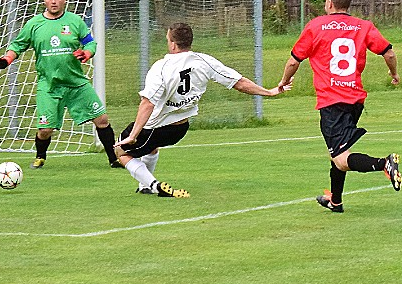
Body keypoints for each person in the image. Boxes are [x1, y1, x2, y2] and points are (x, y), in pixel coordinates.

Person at [114, 22, 289, 198]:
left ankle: (153, 185)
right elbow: (240, 83)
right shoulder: (205, 61)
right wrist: (269, 92)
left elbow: (148, 103)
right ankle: (144, 186)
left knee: (120, 151)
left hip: (155, 127)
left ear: (173, 44)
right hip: (180, 129)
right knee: (151, 148)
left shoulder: (161, 67)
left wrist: (133, 135)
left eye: (168, 40)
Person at [278, 0, 401, 213]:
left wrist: (284, 81)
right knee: (337, 150)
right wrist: (394, 74)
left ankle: (384, 164)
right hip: (355, 100)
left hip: (332, 101)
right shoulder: (363, 26)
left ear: (330, 3)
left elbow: (294, 60)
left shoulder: (316, 26)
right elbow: (389, 52)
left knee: (340, 158)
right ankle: (336, 201)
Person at [0, 0, 119, 169]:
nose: (54, 1)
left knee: (102, 119)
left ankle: (113, 158)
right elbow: (18, 45)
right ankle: (40, 157)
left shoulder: (75, 21)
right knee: (45, 130)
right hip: (49, 85)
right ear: (44, 1)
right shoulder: (34, 24)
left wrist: (87, 53)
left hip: (76, 83)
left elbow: (90, 43)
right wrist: (7, 60)